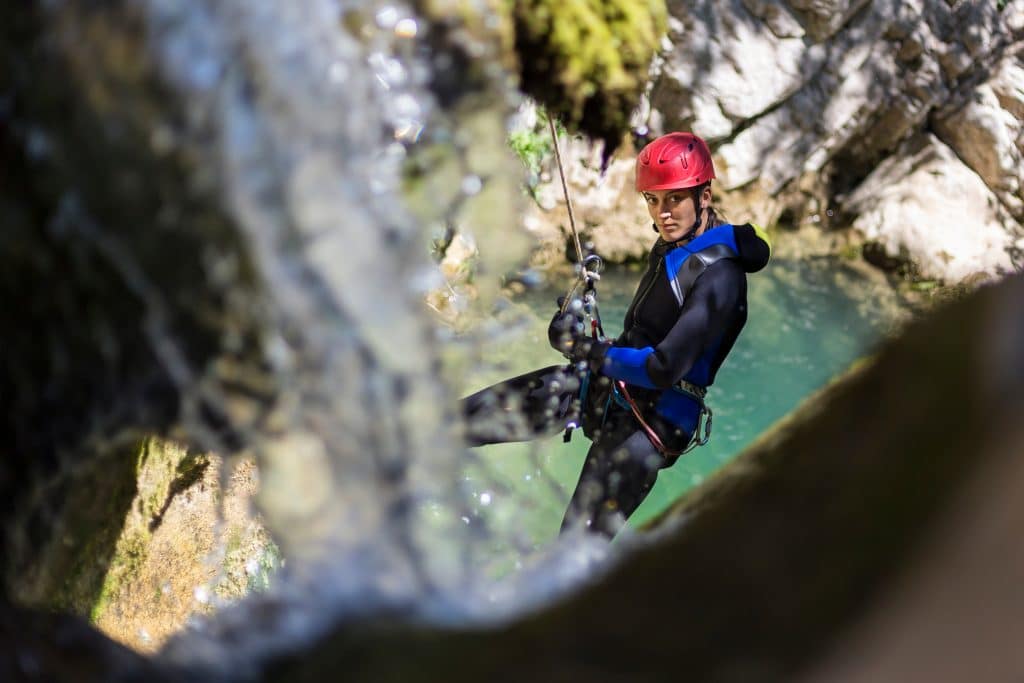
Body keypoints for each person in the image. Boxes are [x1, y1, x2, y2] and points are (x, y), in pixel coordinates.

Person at [462, 132, 771, 538]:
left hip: (650, 427)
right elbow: (643, 337)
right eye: (653, 200)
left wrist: (585, 349)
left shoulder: (721, 277)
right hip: (613, 389)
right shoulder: (672, 246)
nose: (662, 213)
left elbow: (663, 367)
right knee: (464, 420)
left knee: (571, 554)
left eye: (675, 198)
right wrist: (582, 332)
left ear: (705, 196)